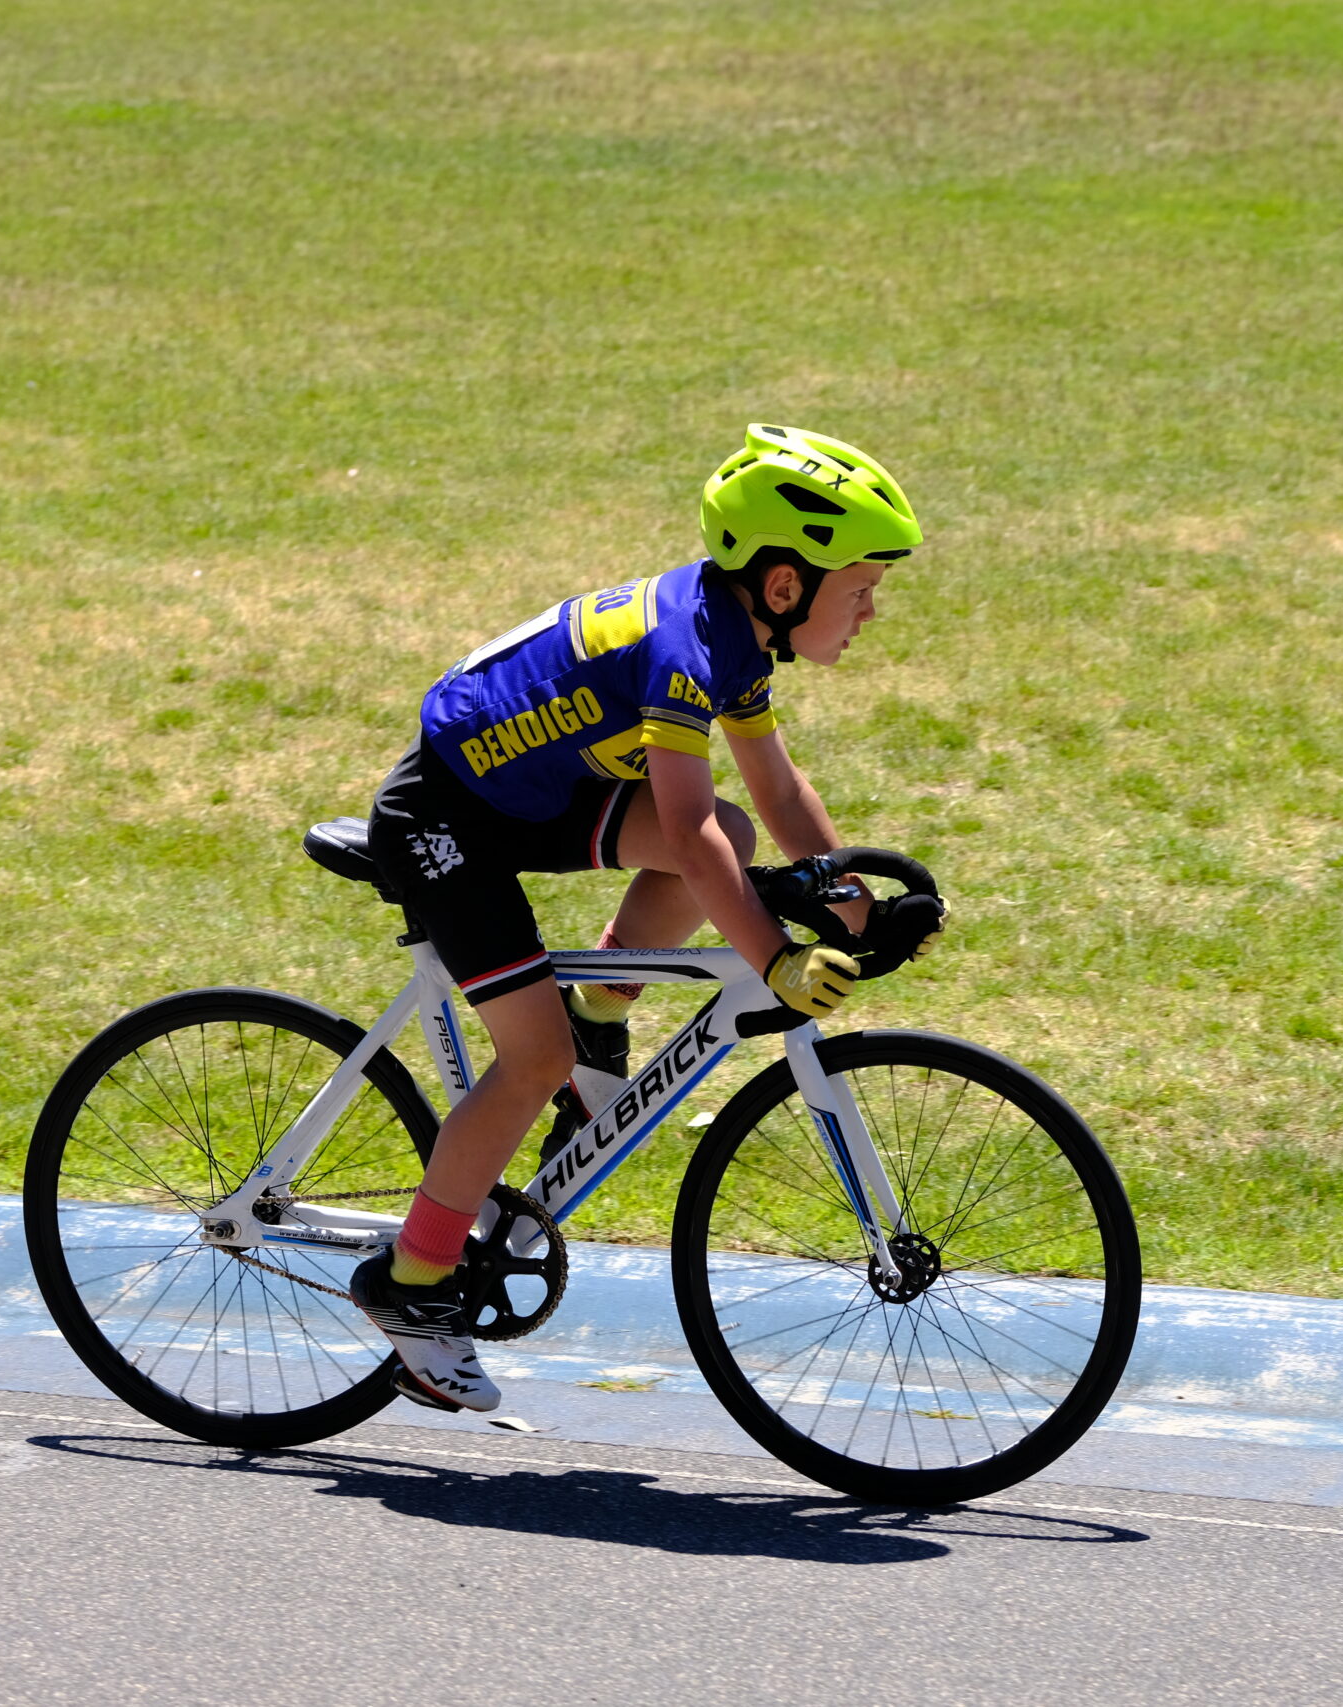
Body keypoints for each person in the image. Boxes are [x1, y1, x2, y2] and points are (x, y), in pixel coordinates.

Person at [351, 423, 927, 1411]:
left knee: (738, 833)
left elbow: (777, 797)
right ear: (783, 584)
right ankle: (411, 1283)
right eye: (861, 588)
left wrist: (858, 913)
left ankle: (601, 1011)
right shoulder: (684, 649)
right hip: (442, 819)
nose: (871, 609)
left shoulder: (735, 635)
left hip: (518, 793)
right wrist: (776, 960)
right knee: (531, 1059)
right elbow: (688, 833)